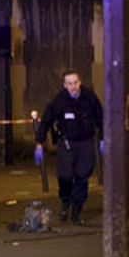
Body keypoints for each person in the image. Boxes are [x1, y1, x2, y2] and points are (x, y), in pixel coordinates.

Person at [34, 70, 103, 225]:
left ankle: (76, 211)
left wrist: (104, 139)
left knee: (82, 176)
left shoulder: (89, 97)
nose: (73, 87)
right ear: (65, 85)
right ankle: (65, 201)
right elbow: (46, 120)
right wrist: (39, 142)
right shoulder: (59, 100)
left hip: (85, 142)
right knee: (64, 175)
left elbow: (101, 117)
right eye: (69, 84)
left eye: (75, 83)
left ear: (80, 83)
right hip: (66, 143)